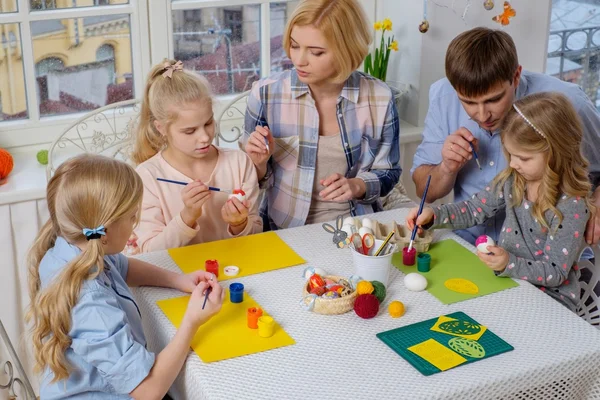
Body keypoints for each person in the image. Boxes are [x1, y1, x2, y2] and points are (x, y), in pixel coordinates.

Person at [27, 154, 224, 399]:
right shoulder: (92, 304)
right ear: (105, 231)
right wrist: (192, 321)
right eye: (132, 218)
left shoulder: (78, 246)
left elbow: (124, 267)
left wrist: (178, 279)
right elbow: (148, 391)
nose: (135, 224)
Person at [411, 27, 600, 246]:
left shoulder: (568, 103)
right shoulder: (443, 96)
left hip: (545, 251)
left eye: (493, 99)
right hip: (468, 244)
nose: (482, 115)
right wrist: (446, 167)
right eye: (469, 102)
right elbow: (425, 190)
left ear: (516, 76)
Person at [407, 93, 593, 311]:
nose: (513, 164)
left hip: (551, 301)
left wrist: (508, 264)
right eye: (510, 154)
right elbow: (474, 209)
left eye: (523, 158)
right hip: (508, 283)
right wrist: (434, 216)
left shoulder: (571, 204)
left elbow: (555, 272)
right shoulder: (514, 179)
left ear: (555, 153)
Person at [241, 0, 400, 230]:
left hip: (355, 228)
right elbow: (248, 179)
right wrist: (258, 163)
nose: (299, 60)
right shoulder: (266, 94)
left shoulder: (380, 98)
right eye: (295, 46)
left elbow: (389, 172)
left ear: (347, 50)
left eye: (316, 52)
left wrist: (357, 185)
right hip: (283, 229)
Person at [131, 60, 263, 252]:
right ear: (161, 128)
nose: (204, 137)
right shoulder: (147, 177)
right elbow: (151, 252)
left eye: (208, 123)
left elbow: (259, 236)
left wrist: (239, 224)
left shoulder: (239, 163)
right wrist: (187, 216)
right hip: (177, 277)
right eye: (190, 131)